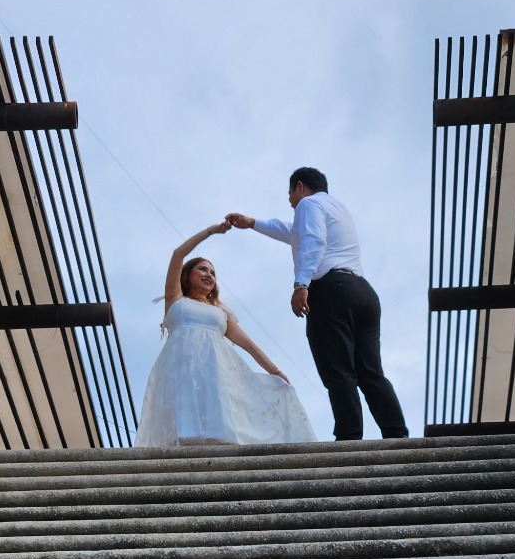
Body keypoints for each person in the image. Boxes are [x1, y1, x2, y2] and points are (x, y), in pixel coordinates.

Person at [226, 167, 408, 441]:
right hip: (363, 293)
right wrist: (252, 222)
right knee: (370, 372)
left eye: (290, 193)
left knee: (338, 370)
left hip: (331, 291)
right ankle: (397, 435)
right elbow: (292, 232)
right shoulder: (337, 208)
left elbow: (312, 240)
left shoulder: (308, 204)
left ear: (299, 186)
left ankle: (349, 437)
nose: (290, 201)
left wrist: (301, 284)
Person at [134, 221, 317, 447]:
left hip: (216, 372)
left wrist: (276, 371)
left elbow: (249, 345)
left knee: (216, 428)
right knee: (182, 423)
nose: (209, 275)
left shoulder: (220, 312)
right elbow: (177, 254)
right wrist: (210, 231)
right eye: (202, 269)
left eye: (213, 272)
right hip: (180, 368)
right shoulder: (175, 300)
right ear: (187, 274)